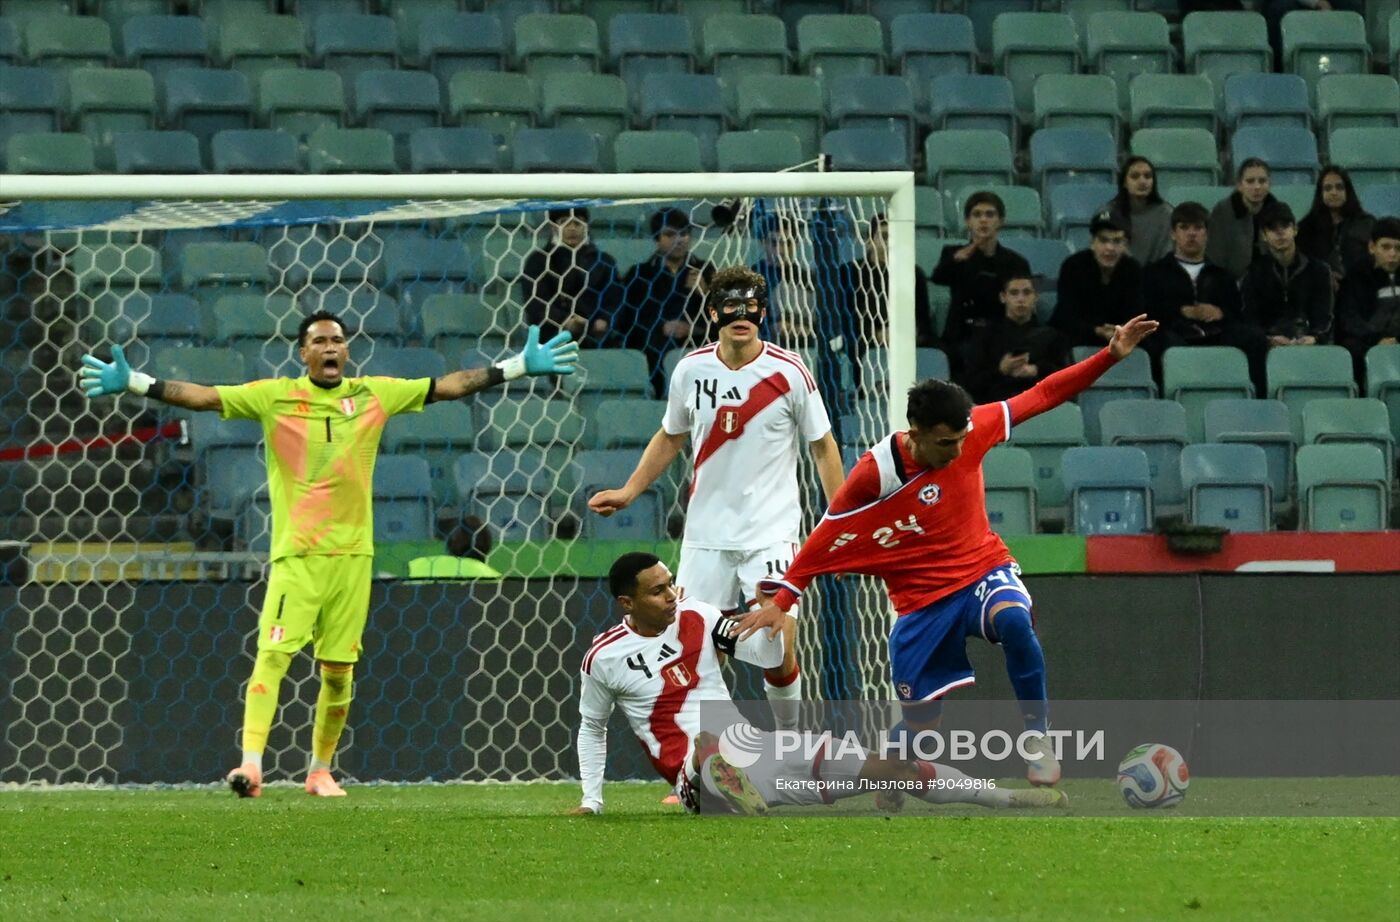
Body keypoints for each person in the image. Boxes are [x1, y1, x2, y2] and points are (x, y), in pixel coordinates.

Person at [78, 311, 579, 798]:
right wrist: (139, 383)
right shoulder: (276, 398)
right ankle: (251, 765)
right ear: (303, 353)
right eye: (319, 341)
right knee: (272, 656)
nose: (330, 347)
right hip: (297, 556)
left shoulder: (374, 395)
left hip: (353, 558)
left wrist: (514, 367)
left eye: (336, 340)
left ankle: (320, 772)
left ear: (347, 349)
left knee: (339, 672)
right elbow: (206, 398)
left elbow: (447, 386)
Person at [734, 316, 1161, 789]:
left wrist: (1108, 356)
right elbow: (828, 533)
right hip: (920, 603)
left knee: (1015, 620)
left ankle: (1037, 740)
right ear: (915, 432)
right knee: (920, 728)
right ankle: (887, 773)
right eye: (944, 443)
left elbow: (1042, 395)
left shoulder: (973, 431)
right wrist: (786, 598)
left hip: (982, 569)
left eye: (961, 440)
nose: (958, 451)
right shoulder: (874, 474)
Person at [571, 553, 1067, 815]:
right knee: (707, 746)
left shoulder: (697, 614)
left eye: (670, 583)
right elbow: (592, 728)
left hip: (758, 751)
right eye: (658, 591)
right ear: (627, 603)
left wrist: (780, 626)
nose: (671, 596)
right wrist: (592, 802)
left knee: (893, 768)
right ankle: (726, 789)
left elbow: (763, 656)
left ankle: (1007, 799)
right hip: (693, 773)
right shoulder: (604, 657)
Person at [587, 267, 845, 732]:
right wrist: (630, 490)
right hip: (705, 538)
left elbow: (823, 446)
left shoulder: (790, 372)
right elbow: (670, 435)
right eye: (731, 306)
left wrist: (840, 517)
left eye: (750, 307)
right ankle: (702, 764)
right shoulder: (691, 369)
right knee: (693, 651)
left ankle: (792, 747)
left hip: (770, 534)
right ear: (713, 313)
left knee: (776, 640)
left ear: (763, 313)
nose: (741, 315)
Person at [1145, 201, 1270, 394]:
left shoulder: (1222, 276)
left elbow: (1238, 313)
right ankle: (1165, 398)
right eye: (1184, 227)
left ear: (1207, 234)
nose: (1191, 233)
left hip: (1216, 334)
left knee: (1254, 338)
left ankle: (1257, 399)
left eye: (1198, 227)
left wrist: (1220, 313)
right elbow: (1147, 311)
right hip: (1174, 333)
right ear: (1173, 234)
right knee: (1159, 342)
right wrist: (1180, 310)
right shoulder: (1155, 273)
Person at [619, 207, 715, 398]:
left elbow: (721, 318)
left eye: (684, 234)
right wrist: (662, 326)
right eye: (670, 234)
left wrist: (703, 293)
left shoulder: (705, 270)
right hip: (654, 346)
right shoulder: (640, 274)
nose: (679, 240)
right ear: (657, 239)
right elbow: (629, 320)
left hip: (697, 341)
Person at [932, 191, 1031, 374]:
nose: (983, 220)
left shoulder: (1015, 262)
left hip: (998, 335)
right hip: (961, 335)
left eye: (990, 214)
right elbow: (938, 277)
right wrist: (960, 258)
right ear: (968, 221)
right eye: (977, 215)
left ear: (1000, 221)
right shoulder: (955, 254)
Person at [519, 207, 622, 347]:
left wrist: (605, 319)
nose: (572, 228)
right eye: (564, 222)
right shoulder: (538, 261)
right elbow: (536, 304)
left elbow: (615, 298)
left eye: (578, 223)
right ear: (553, 226)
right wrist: (565, 320)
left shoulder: (604, 261)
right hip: (552, 335)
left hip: (596, 335)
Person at [962, 273, 1068, 404]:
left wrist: (1036, 370)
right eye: (1014, 293)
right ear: (1003, 297)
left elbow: (1065, 379)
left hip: (1039, 406)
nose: (1020, 299)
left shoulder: (1052, 336)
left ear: (1036, 297)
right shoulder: (985, 335)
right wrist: (1000, 370)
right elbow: (971, 383)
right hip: (996, 405)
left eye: (1027, 292)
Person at [1241, 201, 1334, 348]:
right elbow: (1250, 317)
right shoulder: (1254, 272)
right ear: (1264, 235)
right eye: (1272, 228)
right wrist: (1267, 338)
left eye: (1285, 226)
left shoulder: (1318, 270)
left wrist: (1315, 337)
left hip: (1310, 344)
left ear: (1295, 230)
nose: (1280, 233)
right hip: (1268, 347)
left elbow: (1324, 315)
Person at [1052, 211, 1147, 350]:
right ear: (1092, 242)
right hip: (1078, 334)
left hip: (1119, 335)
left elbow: (1136, 312)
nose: (1110, 248)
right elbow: (1067, 313)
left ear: (1125, 244)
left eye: (1117, 241)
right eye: (1103, 240)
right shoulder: (1073, 266)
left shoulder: (1133, 269)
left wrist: (1119, 329)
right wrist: (1096, 330)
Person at [1336, 217, 1400, 382]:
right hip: (1368, 341)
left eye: (1398, 248)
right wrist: (1377, 339)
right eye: (1386, 247)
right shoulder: (1356, 275)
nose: (1392, 254)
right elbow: (1349, 318)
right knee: (1351, 348)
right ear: (1372, 247)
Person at [1297, 166, 1375, 290]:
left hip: (1361, 290)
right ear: (1320, 193)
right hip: (1320, 291)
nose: (1334, 192)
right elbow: (1301, 264)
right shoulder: (1306, 228)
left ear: (1348, 191)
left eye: (1339, 187)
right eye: (1328, 188)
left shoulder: (1367, 223)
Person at [1207, 158, 1278, 281]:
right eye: (1250, 181)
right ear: (1239, 185)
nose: (1257, 187)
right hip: (1230, 283)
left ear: (1269, 184)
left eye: (1262, 181)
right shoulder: (1223, 211)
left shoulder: (1278, 211)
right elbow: (1215, 257)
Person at [1103, 156, 1173, 265]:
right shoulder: (1108, 213)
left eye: (1147, 176)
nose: (1142, 181)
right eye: (1135, 176)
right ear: (1124, 183)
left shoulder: (1167, 214)